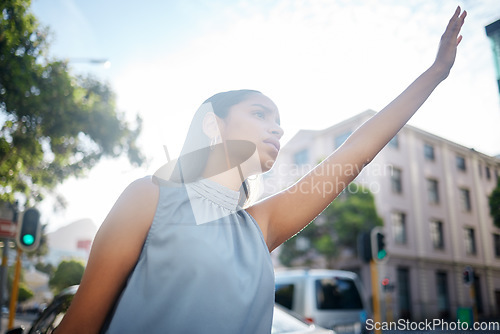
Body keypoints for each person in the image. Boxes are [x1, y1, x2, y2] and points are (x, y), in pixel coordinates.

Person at [55, 7, 466, 334]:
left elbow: (354, 155)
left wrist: (434, 75)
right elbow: (81, 325)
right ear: (213, 125)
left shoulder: (260, 226)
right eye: (259, 113)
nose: (278, 127)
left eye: (278, 119)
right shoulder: (150, 196)